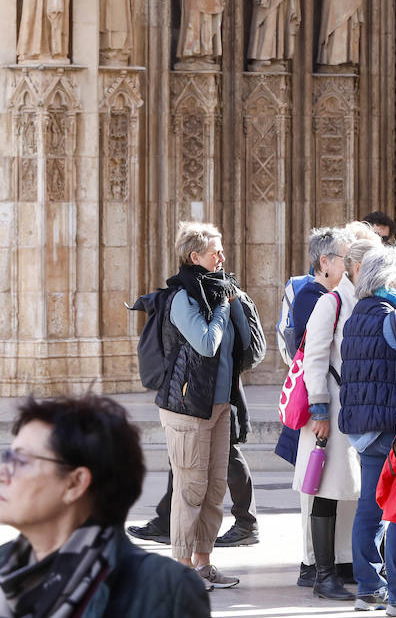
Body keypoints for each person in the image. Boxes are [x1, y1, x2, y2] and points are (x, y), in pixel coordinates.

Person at [0, 395, 210, 617]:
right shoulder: (6, 565)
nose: (3, 473)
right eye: (6, 457)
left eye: (21, 461)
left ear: (75, 483)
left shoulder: (163, 588)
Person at [153, 221, 265, 591]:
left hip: (218, 404)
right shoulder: (183, 298)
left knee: (215, 487)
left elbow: (243, 347)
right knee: (190, 488)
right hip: (187, 406)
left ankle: (203, 563)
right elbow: (206, 343)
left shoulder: (219, 292)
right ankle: (183, 568)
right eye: (215, 251)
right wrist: (221, 308)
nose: (222, 257)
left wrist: (235, 306)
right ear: (194, 255)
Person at [340, 244, 396, 612]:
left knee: (370, 509)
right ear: (391, 278)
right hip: (390, 427)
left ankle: (369, 586)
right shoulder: (395, 316)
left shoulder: (358, 315)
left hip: (364, 426)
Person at [293, 228, 362, 601]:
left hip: (349, 408)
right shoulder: (329, 302)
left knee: (341, 487)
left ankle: (341, 565)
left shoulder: (353, 300)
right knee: (324, 489)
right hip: (329, 410)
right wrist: (319, 409)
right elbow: (314, 360)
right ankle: (322, 574)